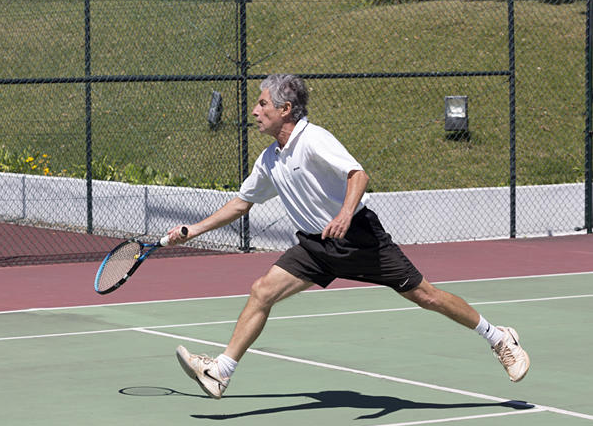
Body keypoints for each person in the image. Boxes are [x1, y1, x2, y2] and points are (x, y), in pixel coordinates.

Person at [165, 74, 529, 400]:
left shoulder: (314, 140)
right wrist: (192, 230)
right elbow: (242, 203)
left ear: (285, 109)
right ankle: (221, 372)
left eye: (263, 104)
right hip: (314, 246)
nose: (256, 111)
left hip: (358, 237)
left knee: (426, 296)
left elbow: (358, 174)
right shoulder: (271, 159)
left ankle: (499, 338)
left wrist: (343, 213)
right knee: (262, 290)